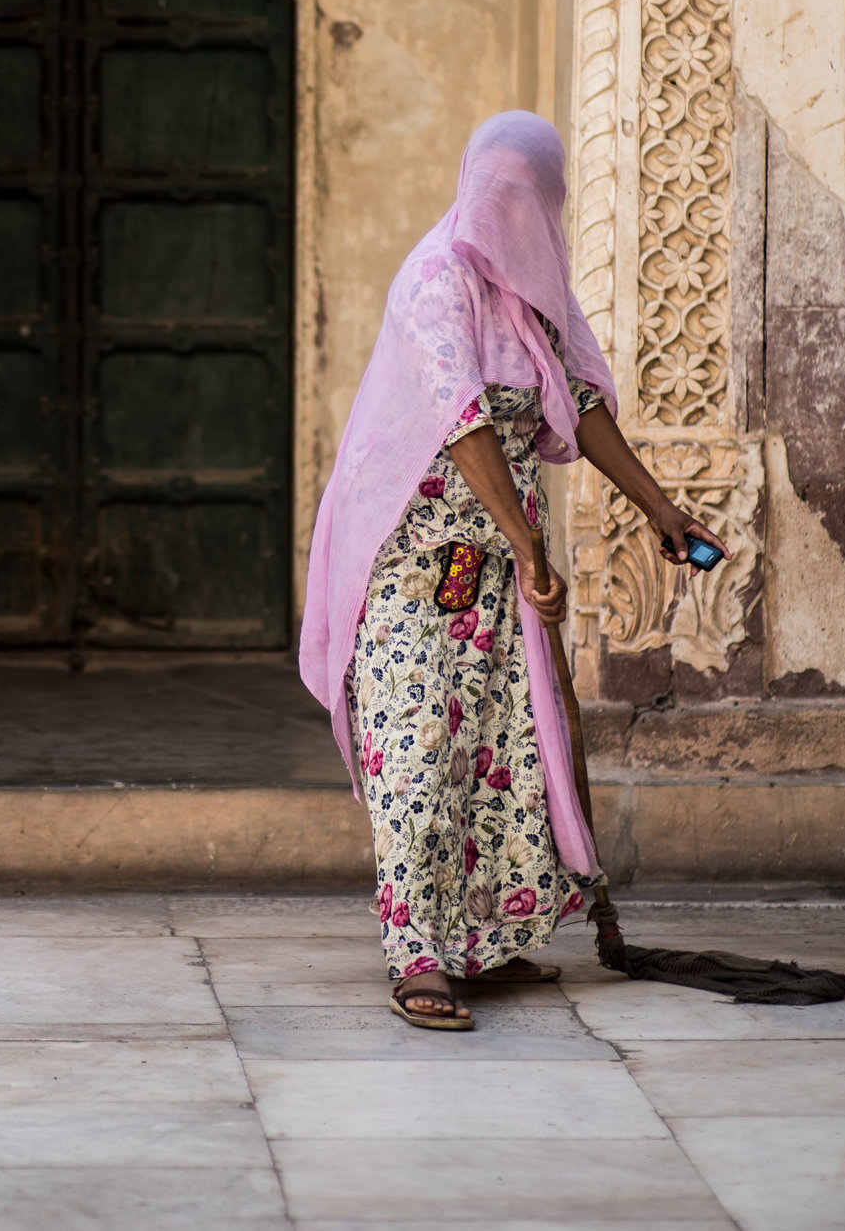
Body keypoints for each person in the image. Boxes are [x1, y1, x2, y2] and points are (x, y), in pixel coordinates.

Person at [300, 113, 718, 1028]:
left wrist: (659, 507)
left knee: (493, 756)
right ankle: (416, 955)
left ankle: (475, 943)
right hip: (408, 565)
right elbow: (463, 420)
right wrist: (531, 549)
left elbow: (584, 405)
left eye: (531, 194)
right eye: (501, 190)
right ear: (472, 184)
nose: (512, 211)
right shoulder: (434, 280)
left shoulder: (536, 299)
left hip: (493, 574)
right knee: (414, 752)